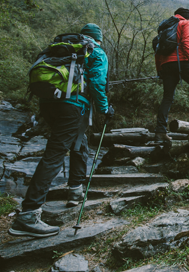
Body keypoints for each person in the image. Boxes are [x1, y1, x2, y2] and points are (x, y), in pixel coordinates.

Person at [9, 23, 113, 238]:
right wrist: (104, 108)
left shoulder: (64, 47)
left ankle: (75, 189)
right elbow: (96, 81)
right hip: (72, 106)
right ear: (98, 39)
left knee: (78, 140)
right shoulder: (96, 51)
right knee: (55, 154)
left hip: (49, 103)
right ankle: (28, 215)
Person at [155, 7, 189, 142]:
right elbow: (186, 43)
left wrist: (159, 70)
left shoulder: (165, 27)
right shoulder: (186, 23)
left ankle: (160, 131)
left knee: (167, 97)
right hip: (182, 61)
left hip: (166, 64)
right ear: (188, 17)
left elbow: (158, 51)